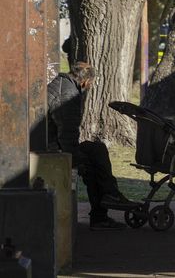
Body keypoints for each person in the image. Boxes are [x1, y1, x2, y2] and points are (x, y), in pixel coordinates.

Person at [46, 56, 136, 230]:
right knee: (90, 164)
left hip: (53, 141)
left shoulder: (63, 84)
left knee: (97, 149)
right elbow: (67, 133)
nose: (90, 87)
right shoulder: (68, 94)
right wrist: (77, 159)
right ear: (86, 81)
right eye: (91, 83)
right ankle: (101, 214)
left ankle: (110, 194)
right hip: (52, 146)